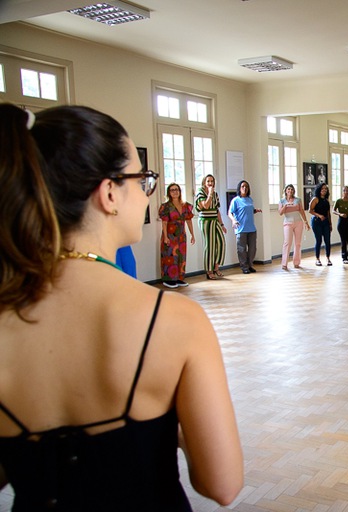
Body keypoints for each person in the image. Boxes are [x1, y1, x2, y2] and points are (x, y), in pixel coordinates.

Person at [0, 104, 243, 509]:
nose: (147, 192)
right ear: (109, 192)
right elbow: (222, 484)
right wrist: (176, 432)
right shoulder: (175, 318)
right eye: (142, 179)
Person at [158, 183, 195, 287]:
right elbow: (164, 223)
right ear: (169, 193)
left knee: (181, 256)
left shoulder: (185, 205)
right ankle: (168, 280)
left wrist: (192, 234)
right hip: (169, 235)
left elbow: (189, 221)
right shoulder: (165, 206)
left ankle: (179, 278)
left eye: (177, 189)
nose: (175, 192)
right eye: (172, 190)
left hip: (181, 236)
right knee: (170, 256)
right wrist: (165, 237)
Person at [195, 174, 227, 280]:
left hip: (214, 220)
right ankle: (209, 271)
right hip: (205, 221)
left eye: (212, 181)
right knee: (209, 246)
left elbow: (217, 210)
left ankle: (216, 267)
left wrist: (222, 224)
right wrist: (209, 194)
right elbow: (206, 205)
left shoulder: (215, 194)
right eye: (208, 181)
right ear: (204, 182)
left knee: (221, 242)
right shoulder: (200, 192)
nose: (210, 183)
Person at [228, 180, 262, 274]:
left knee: (252, 249)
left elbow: (249, 211)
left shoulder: (250, 199)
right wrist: (233, 220)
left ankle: (250, 265)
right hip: (241, 229)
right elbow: (230, 213)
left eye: (246, 186)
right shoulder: (236, 200)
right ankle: (244, 267)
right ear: (239, 188)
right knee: (242, 249)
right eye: (243, 186)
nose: (245, 188)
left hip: (251, 228)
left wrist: (255, 210)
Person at [278, 184, 310, 270]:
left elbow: (301, 211)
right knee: (287, 242)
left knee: (298, 243)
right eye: (288, 189)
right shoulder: (282, 201)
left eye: (292, 189)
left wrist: (306, 222)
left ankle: (296, 262)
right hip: (287, 223)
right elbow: (280, 212)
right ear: (285, 191)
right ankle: (284, 263)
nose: (290, 191)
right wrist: (285, 206)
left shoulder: (298, 200)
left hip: (298, 222)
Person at [309, 182, 333, 266]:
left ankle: (328, 258)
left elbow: (328, 213)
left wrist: (330, 224)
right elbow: (310, 210)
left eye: (325, 189)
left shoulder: (326, 200)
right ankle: (317, 259)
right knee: (318, 240)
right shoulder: (315, 199)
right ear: (319, 189)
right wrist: (319, 215)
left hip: (325, 222)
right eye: (322, 189)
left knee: (327, 240)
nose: (324, 190)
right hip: (316, 222)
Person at [333, 185, 348, 264]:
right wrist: (340, 214)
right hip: (342, 221)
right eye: (344, 191)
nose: (346, 192)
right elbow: (333, 211)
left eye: (347, 191)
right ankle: (344, 257)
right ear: (342, 192)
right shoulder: (338, 201)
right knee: (343, 241)